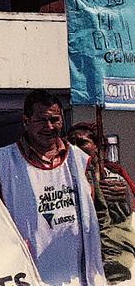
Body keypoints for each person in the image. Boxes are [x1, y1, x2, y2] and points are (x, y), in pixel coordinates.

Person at [0, 89, 105, 286]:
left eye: (54, 119)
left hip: (79, 278)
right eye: (41, 120)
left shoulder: (81, 161)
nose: (49, 126)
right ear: (26, 121)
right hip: (28, 276)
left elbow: (102, 217)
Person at [68, 122, 135, 284]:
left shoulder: (115, 179)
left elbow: (125, 218)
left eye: (82, 142)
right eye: (71, 142)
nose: (75, 147)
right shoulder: (65, 178)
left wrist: (119, 198)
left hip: (112, 250)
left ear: (97, 147)